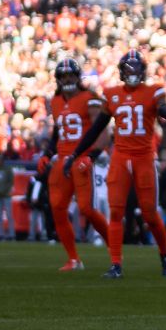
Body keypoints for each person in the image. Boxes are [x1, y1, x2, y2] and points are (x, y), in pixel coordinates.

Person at [65, 51, 166, 279]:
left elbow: (162, 108)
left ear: (143, 71)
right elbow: (97, 128)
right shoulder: (111, 94)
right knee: (116, 212)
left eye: (135, 69)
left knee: (149, 213)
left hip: (144, 157)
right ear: (121, 72)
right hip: (120, 156)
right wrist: (77, 153)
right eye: (128, 70)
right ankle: (116, 264)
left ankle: (165, 256)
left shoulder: (153, 90)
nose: (132, 74)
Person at [42, 60, 111, 270]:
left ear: (77, 76)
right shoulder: (54, 101)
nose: (67, 79)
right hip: (62, 159)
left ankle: (114, 248)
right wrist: (47, 153)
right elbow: (58, 131)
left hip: (81, 157)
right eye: (63, 76)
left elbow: (103, 132)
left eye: (70, 75)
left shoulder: (89, 99)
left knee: (86, 209)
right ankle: (73, 259)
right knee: (57, 208)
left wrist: (92, 156)